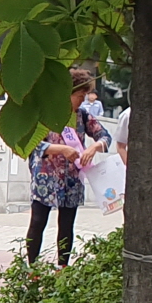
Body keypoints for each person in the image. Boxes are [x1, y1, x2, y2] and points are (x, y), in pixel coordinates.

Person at [26, 70, 112, 267]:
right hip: (45, 178)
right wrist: (60, 149)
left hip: (72, 180)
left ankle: (63, 267)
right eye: (79, 96)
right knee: (38, 222)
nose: (81, 101)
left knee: (66, 226)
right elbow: (32, 144)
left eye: (84, 96)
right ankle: (31, 268)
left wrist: (94, 147)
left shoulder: (82, 116)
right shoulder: (46, 115)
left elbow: (105, 136)